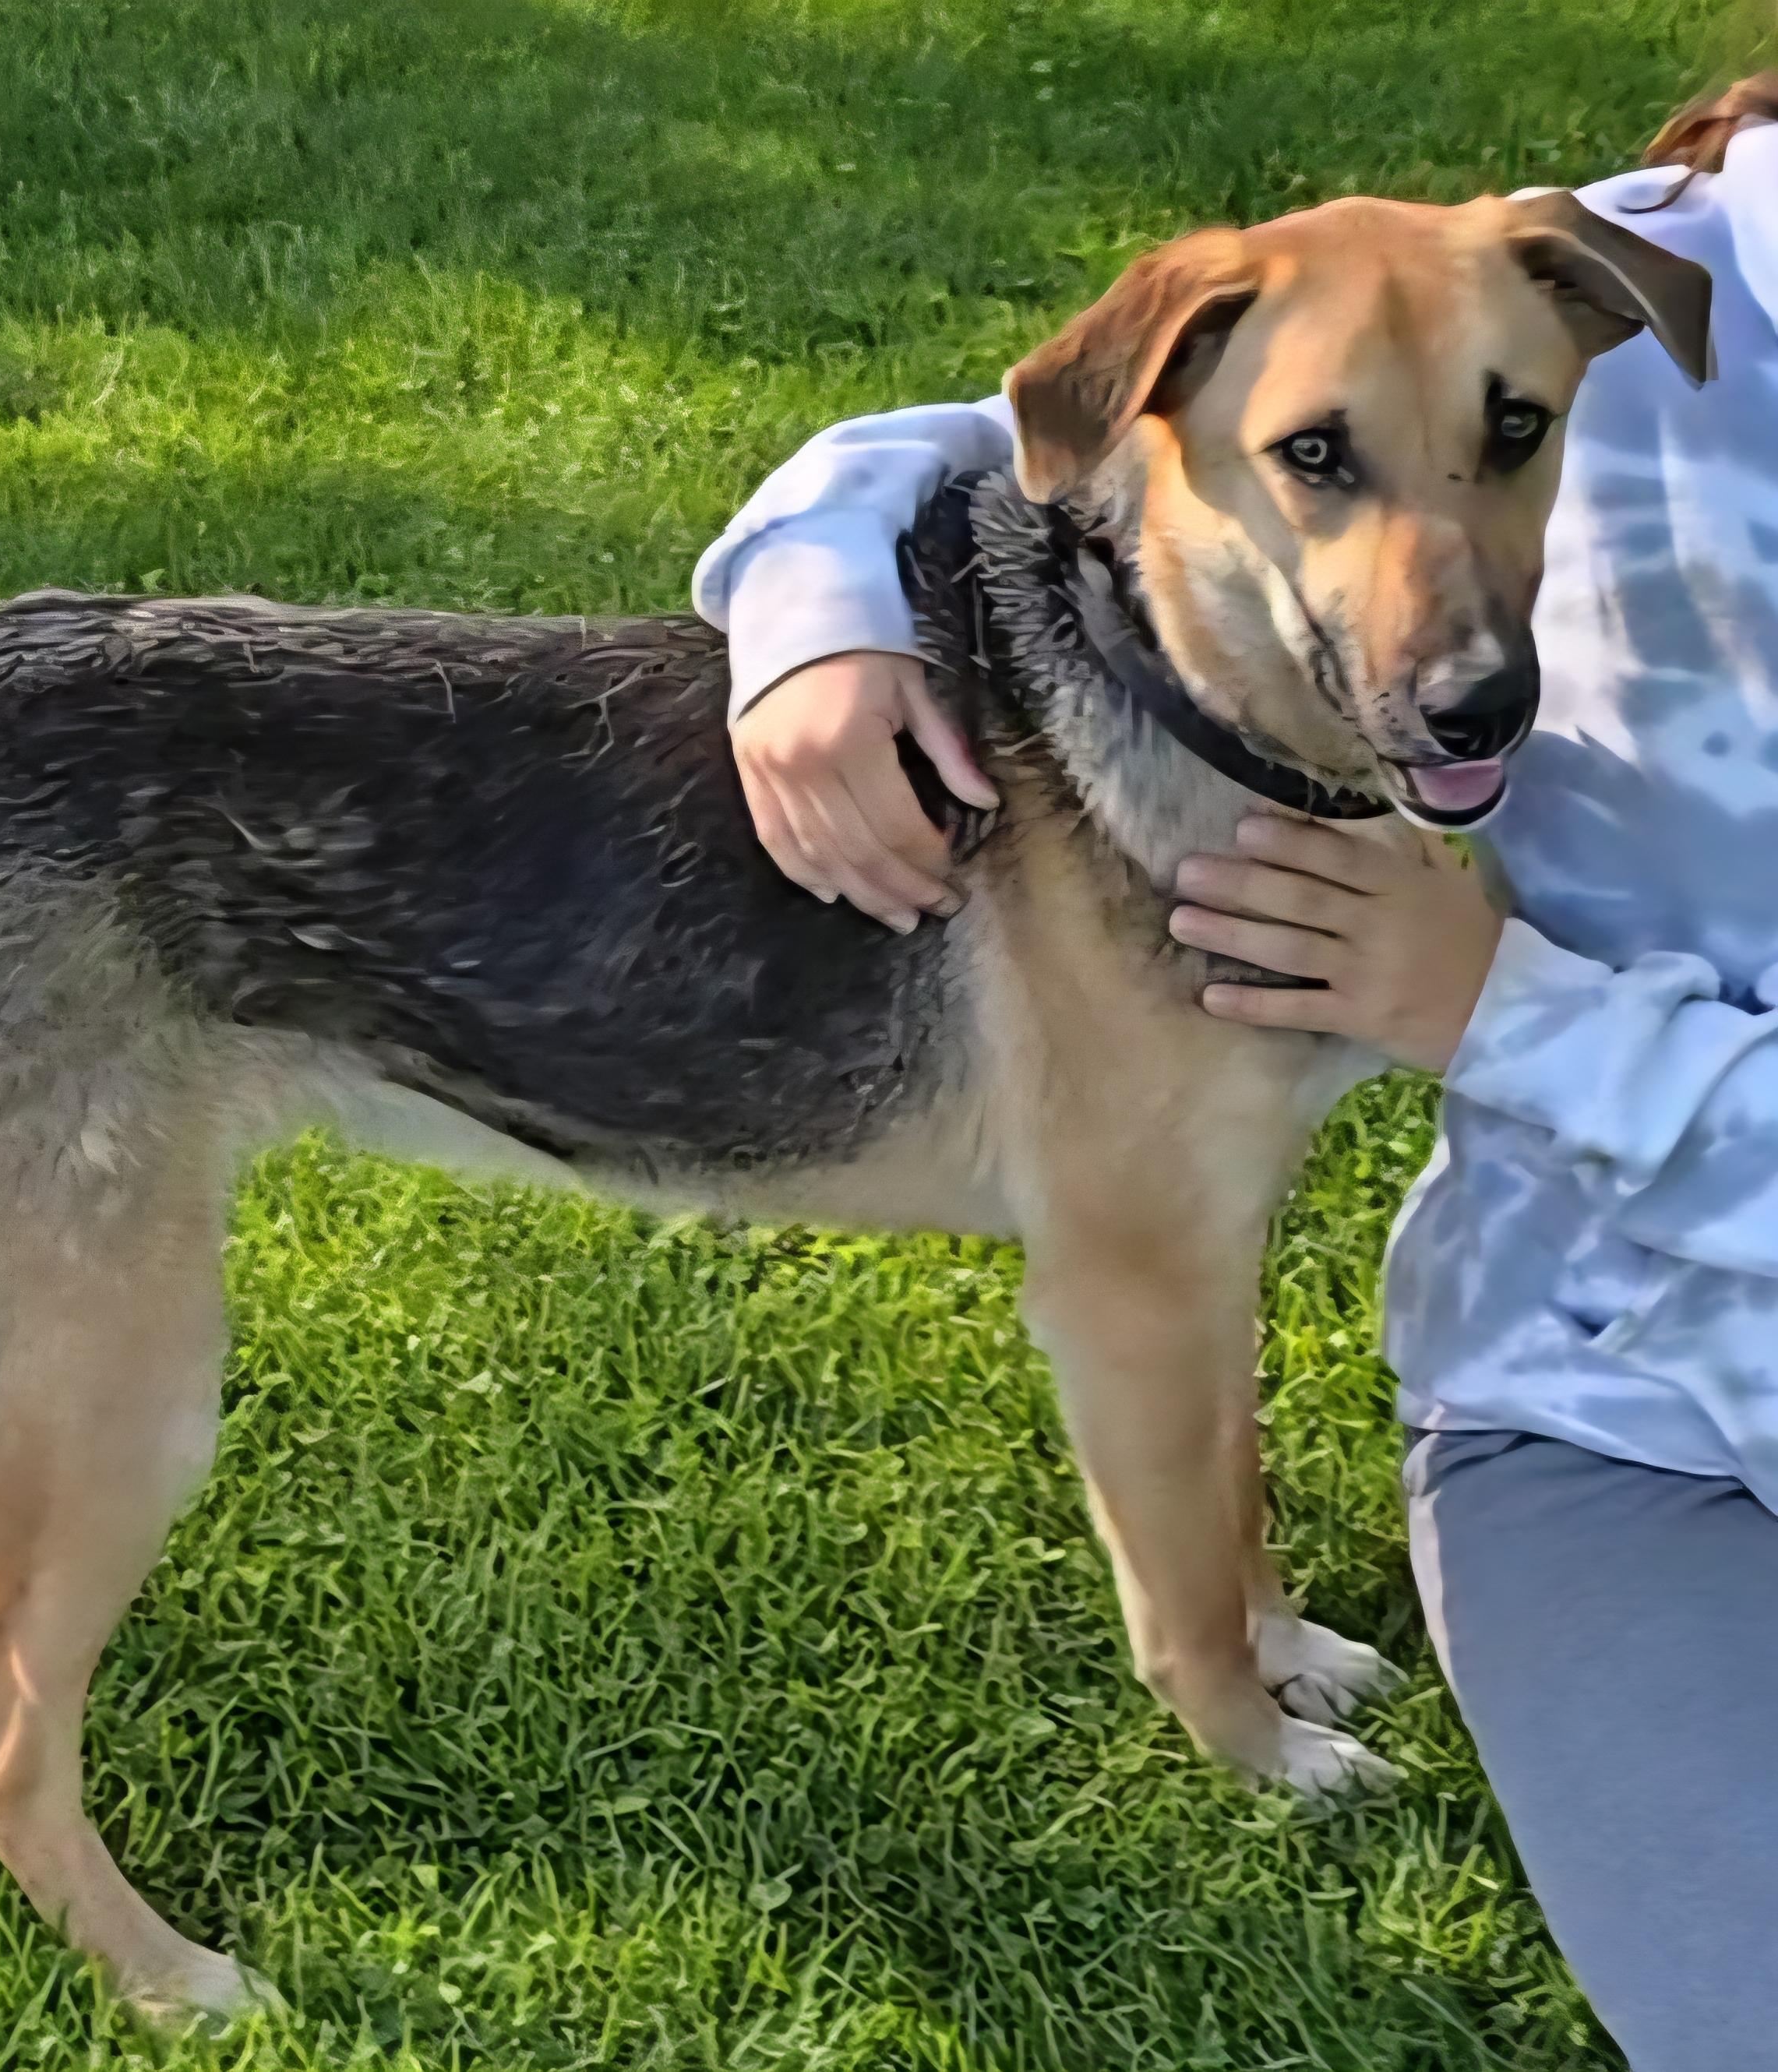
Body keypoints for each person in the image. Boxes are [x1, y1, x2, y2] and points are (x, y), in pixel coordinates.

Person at [693, 80, 1778, 2071]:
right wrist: (809, 603)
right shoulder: (1618, 264)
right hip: (1623, 1393)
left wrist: (1504, 1011)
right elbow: (1030, 438)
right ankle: (1215, 1650)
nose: (1446, 598)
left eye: (1501, 447)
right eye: (1335, 475)